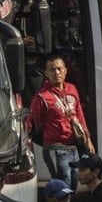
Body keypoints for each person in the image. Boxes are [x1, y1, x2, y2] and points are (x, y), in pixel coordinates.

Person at [28, 55, 95, 190]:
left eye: (59, 69)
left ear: (65, 70)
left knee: (74, 183)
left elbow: (79, 115)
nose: (56, 73)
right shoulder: (41, 97)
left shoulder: (72, 89)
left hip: (73, 147)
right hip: (55, 149)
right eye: (52, 70)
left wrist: (87, 139)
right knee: (63, 186)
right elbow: (32, 123)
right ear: (46, 74)